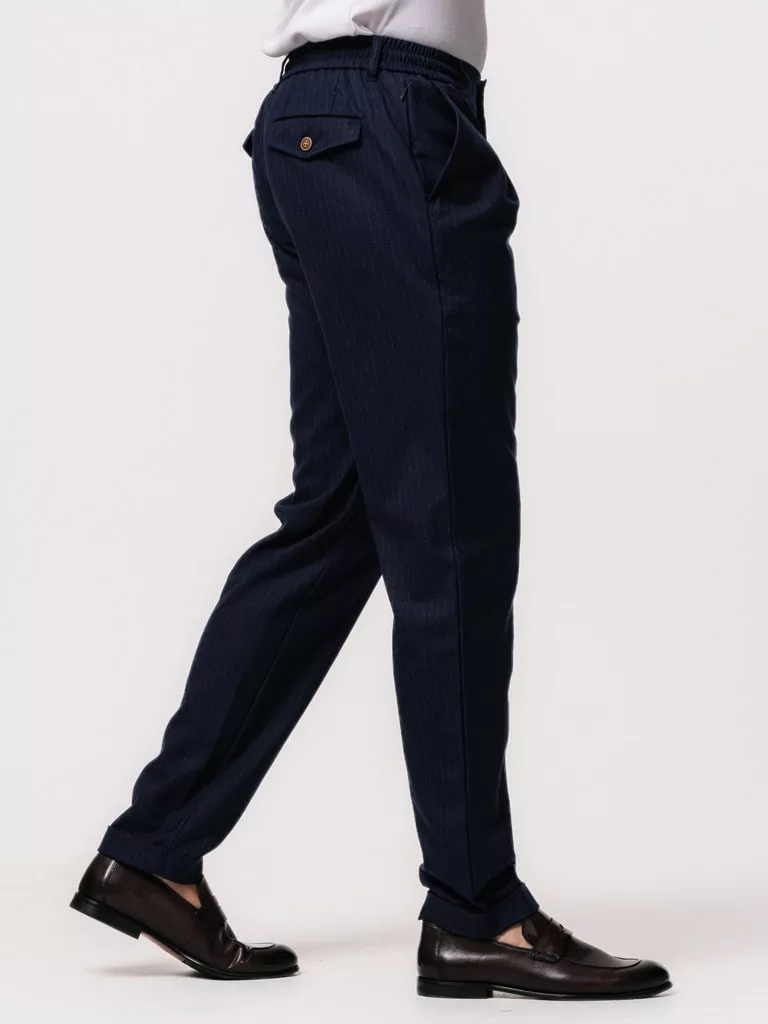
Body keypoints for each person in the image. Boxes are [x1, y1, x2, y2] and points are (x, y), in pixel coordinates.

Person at [70, 1, 672, 1000]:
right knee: (453, 524)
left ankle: (156, 852)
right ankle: (478, 909)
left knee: (341, 517)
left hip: (327, 123)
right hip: (391, 115)